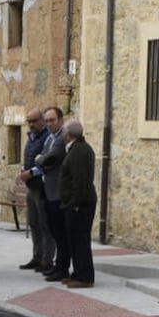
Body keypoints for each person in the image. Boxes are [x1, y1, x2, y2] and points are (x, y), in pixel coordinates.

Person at [26, 107, 69, 281]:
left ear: (61, 120)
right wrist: (40, 160)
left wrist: (38, 161)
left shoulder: (60, 139)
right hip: (45, 187)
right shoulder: (49, 138)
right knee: (41, 225)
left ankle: (54, 264)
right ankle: (47, 262)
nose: (50, 123)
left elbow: (47, 159)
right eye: (48, 120)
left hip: (56, 191)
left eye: (52, 120)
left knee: (55, 230)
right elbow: (42, 157)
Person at [58, 118, 98, 289]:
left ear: (67, 134)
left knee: (80, 240)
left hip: (80, 205)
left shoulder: (79, 152)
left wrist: (74, 204)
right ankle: (78, 273)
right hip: (78, 203)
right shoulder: (77, 148)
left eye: (62, 132)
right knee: (75, 240)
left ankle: (85, 277)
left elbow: (80, 182)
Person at [17, 109, 52, 271]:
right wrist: (24, 169)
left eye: (34, 121)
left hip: (43, 187)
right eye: (28, 121)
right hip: (32, 187)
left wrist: (31, 173)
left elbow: (49, 162)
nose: (31, 124)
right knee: (34, 224)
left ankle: (47, 260)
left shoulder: (47, 138)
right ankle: (37, 257)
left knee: (45, 225)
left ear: (42, 121)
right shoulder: (31, 138)